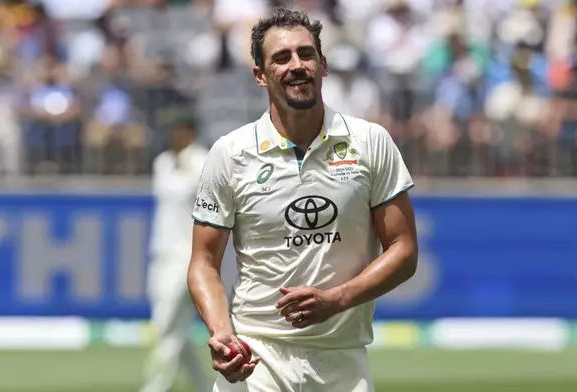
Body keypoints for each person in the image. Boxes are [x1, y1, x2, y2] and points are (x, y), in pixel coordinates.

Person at [188, 7, 418, 392]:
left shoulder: (370, 141)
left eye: (306, 53)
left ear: (323, 65)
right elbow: (203, 264)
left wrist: (336, 299)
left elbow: (404, 250)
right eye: (281, 57)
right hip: (257, 357)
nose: (297, 65)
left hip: (344, 360)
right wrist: (222, 333)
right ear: (260, 75)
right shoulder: (230, 152)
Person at [141, 117, 211, 392]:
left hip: (188, 256)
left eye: (175, 129)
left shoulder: (204, 162)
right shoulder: (162, 163)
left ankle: (155, 387)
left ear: (189, 130)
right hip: (161, 254)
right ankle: (205, 386)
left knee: (165, 326)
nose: (171, 136)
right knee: (174, 329)